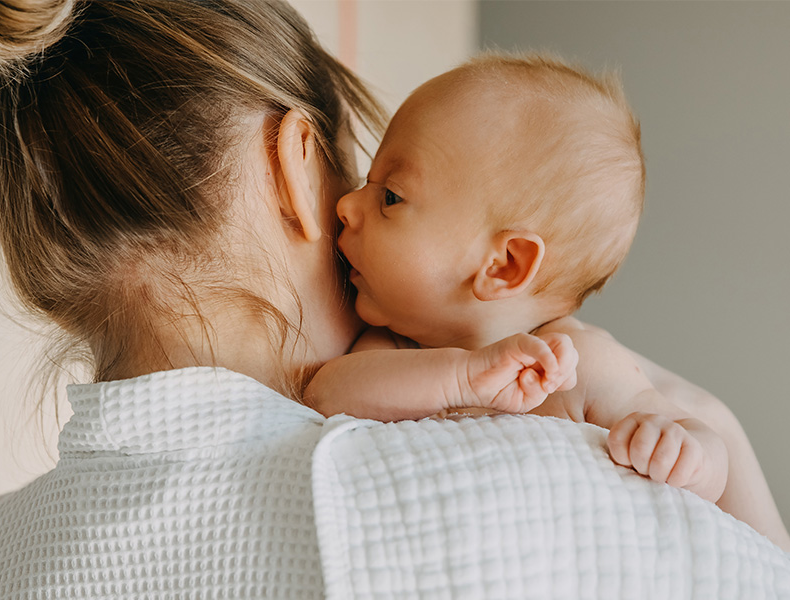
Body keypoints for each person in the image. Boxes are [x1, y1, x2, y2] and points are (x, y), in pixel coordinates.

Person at [0, 0, 788, 597]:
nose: (351, 208)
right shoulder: (552, 491)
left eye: (387, 193)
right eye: (355, 167)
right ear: (294, 166)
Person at [305, 51, 790, 551]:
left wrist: (685, 453)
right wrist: (463, 376)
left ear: (504, 266)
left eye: (390, 197)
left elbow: (701, 445)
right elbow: (328, 394)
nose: (346, 205)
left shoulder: (577, 365)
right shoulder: (397, 345)